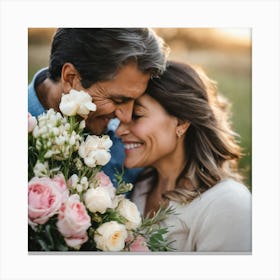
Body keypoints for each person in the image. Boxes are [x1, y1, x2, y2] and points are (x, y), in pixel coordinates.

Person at [116, 61, 252, 252]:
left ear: (181, 121)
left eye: (137, 115)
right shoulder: (138, 187)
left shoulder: (227, 204)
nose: (120, 130)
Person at [28, 28, 169, 186]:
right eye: (118, 100)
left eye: (135, 102)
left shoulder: (129, 143)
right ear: (70, 78)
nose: (126, 117)